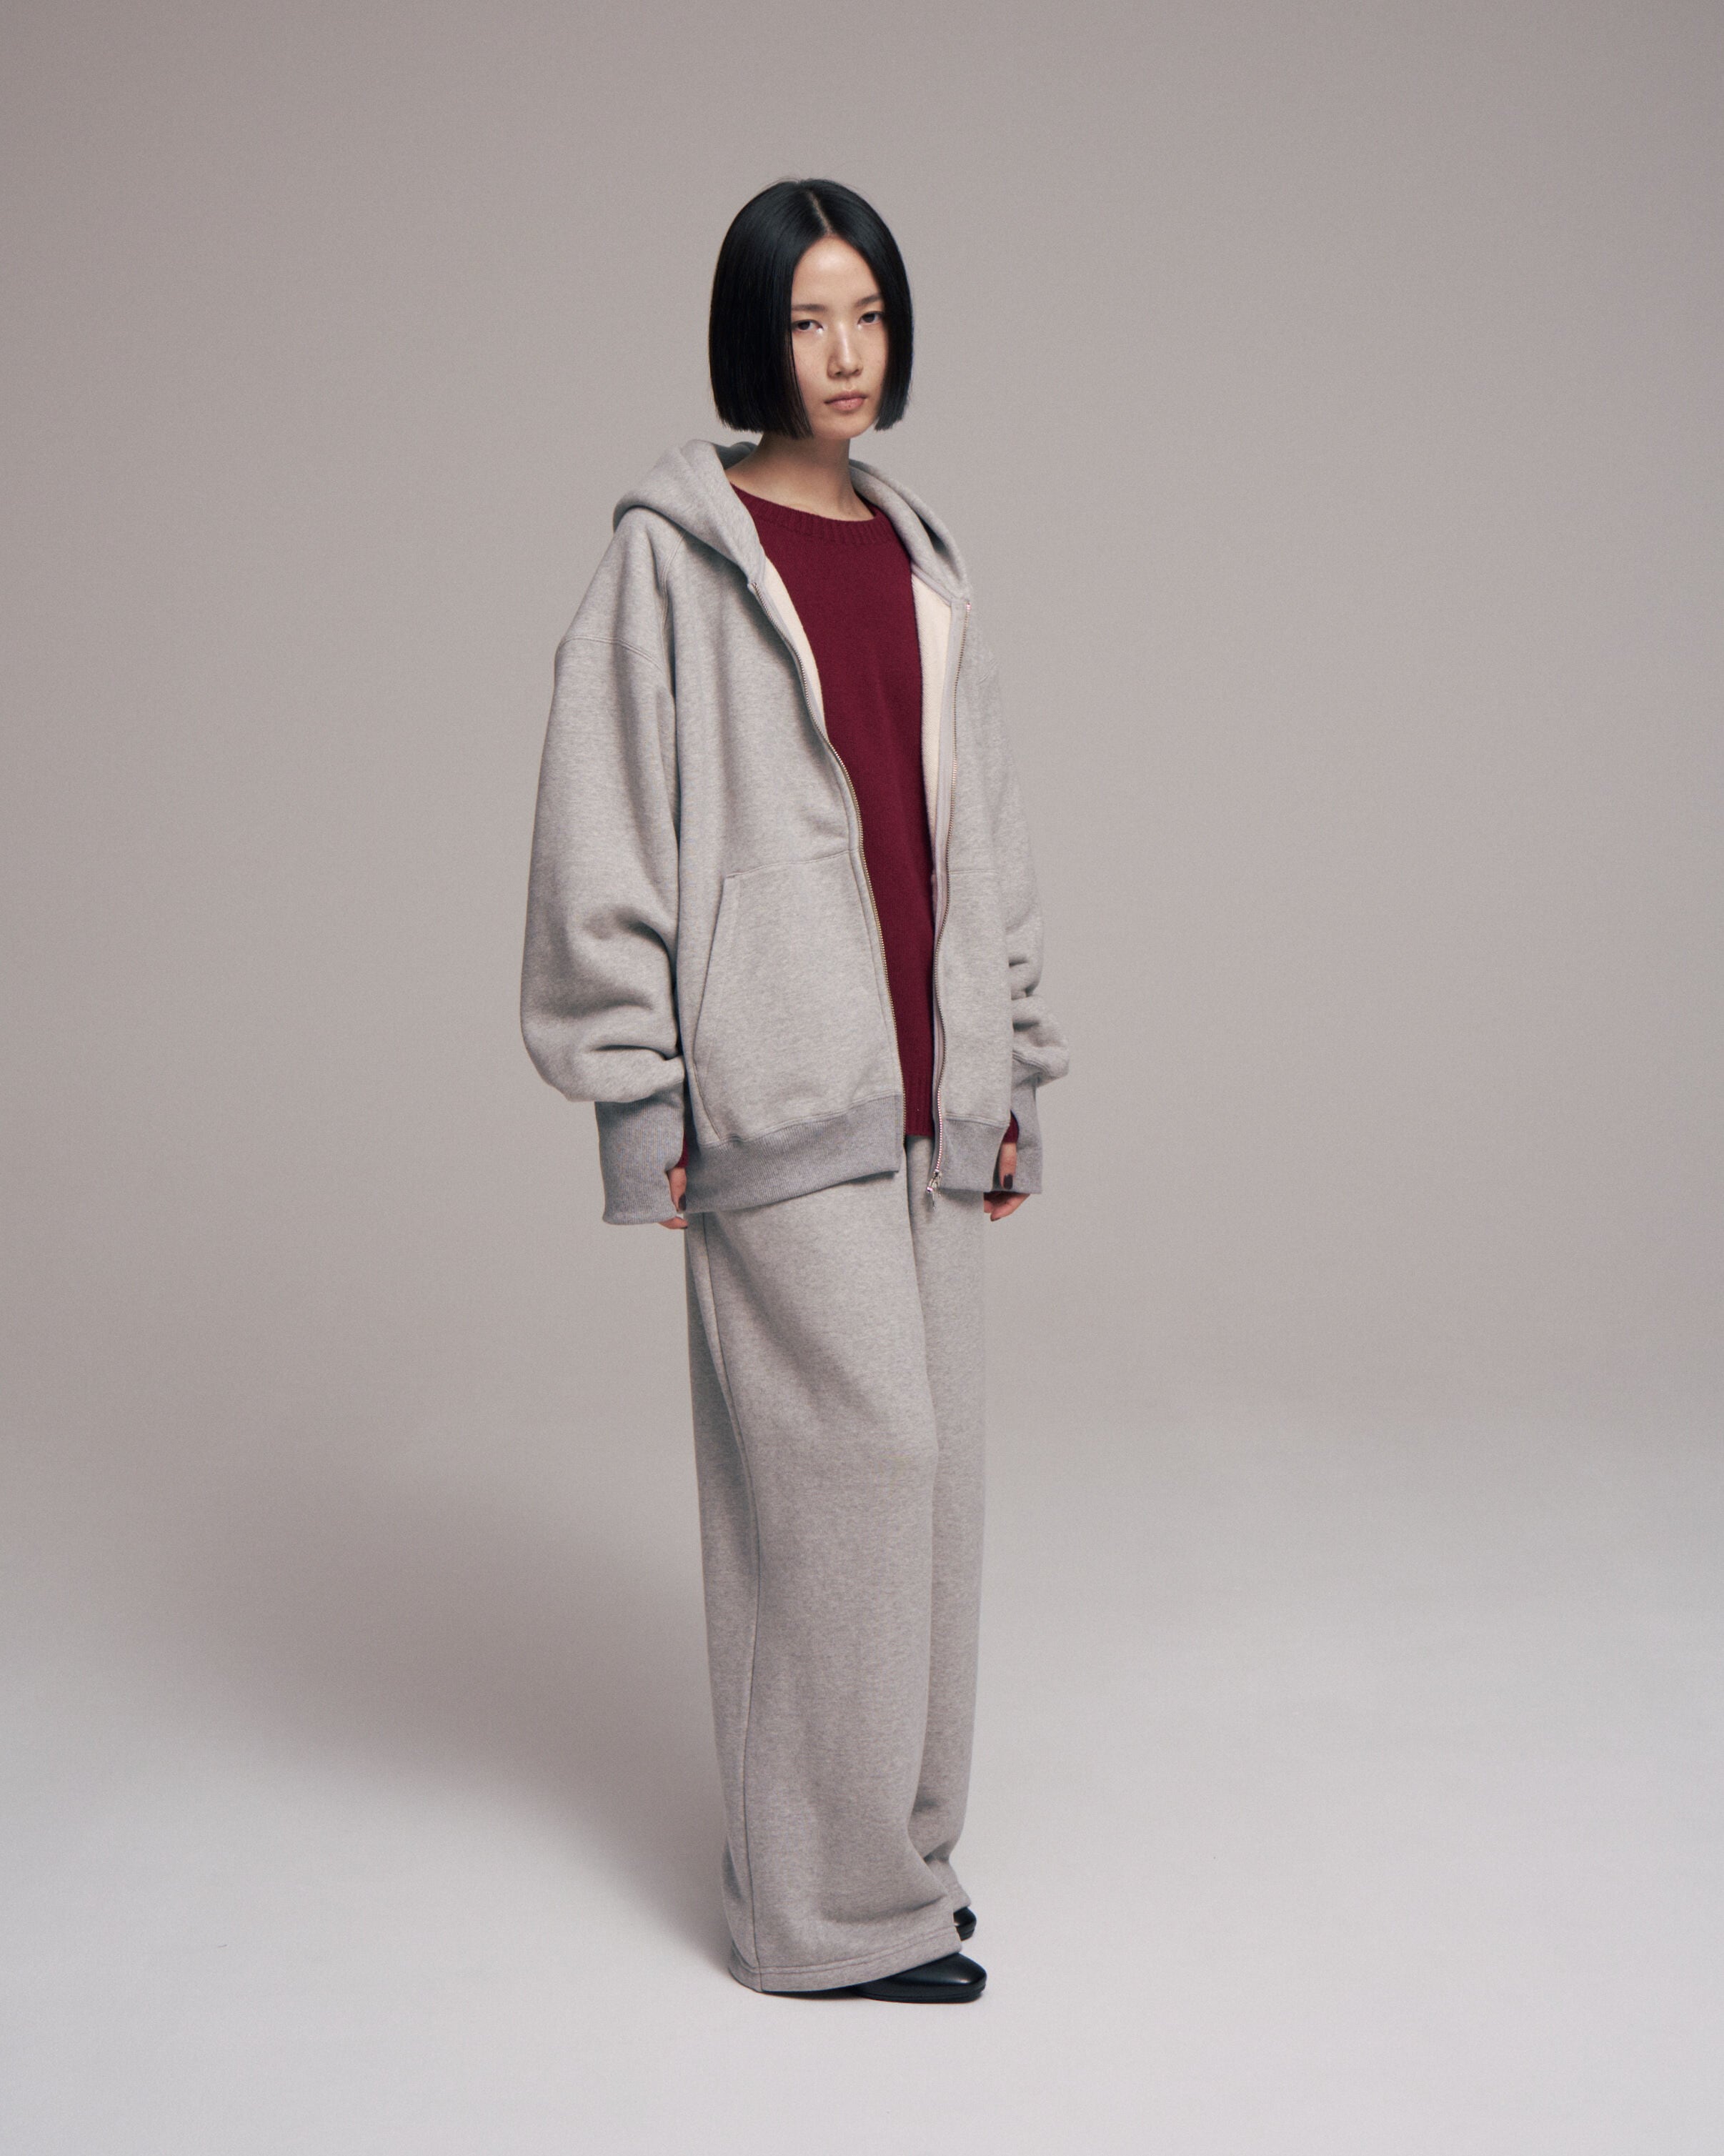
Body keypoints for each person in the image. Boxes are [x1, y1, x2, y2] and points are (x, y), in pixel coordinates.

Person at [521, 179, 1067, 2001]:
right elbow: (602, 822)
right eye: (809, 319)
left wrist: (1007, 1072)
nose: (844, 354)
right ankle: (818, 1917)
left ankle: (894, 1864)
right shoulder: (672, 564)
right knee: (845, 1481)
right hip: (773, 1092)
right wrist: (638, 1094)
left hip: (930, 1091)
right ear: (752, 337)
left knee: (932, 1498)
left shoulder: (922, 560)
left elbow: (979, 839)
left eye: (870, 316)